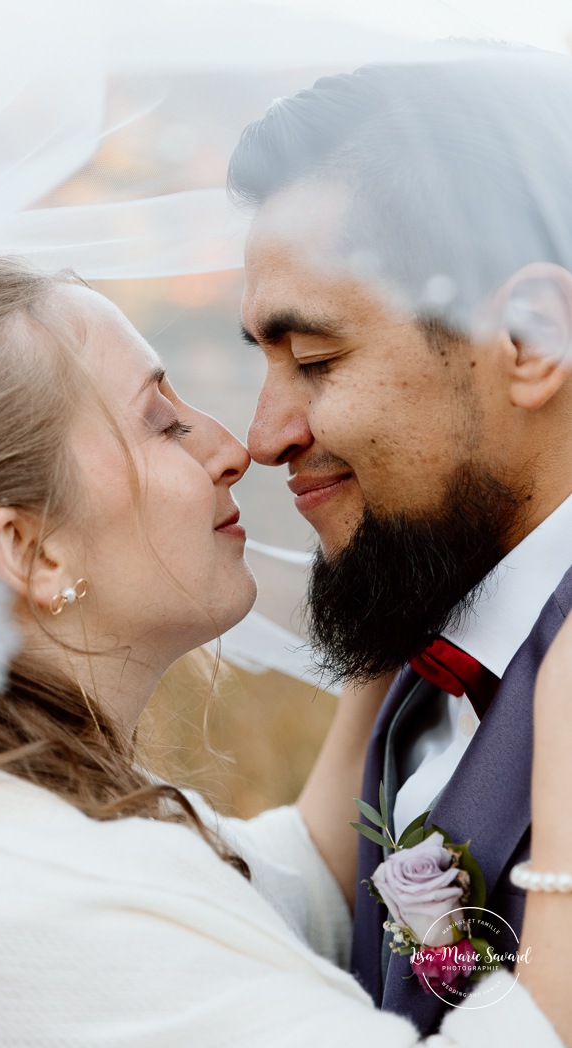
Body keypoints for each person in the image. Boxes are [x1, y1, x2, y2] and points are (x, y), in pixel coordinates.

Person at [0, 255, 569, 1047]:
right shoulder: (16, 894)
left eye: (313, 363)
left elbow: (280, 884)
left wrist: (405, 556)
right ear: (35, 553)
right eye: (162, 424)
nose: (236, 447)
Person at [227, 51, 572, 1035]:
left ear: (532, 337)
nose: (262, 437)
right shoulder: (421, 643)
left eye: (317, 360)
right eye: (264, 361)